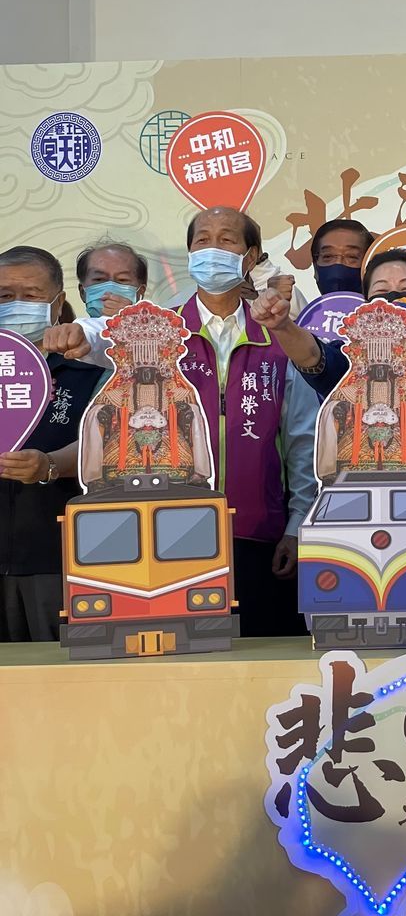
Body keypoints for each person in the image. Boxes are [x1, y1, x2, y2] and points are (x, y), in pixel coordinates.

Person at [43, 207, 320, 636]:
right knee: (186, 658)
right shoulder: (158, 333)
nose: (212, 249)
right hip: (171, 536)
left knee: (260, 657)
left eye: (226, 240)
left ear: (250, 256)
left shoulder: (279, 338)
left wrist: (297, 526)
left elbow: (303, 442)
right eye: (202, 240)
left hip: (257, 533)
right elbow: (101, 336)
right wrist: (79, 333)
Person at [253, 248, 406, 594]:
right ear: (366, 304)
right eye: (382, 292)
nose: (394, 299)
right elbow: (311, 355)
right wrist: (282, 326)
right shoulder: (346, 364)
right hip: (356, 533)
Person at [0, 246, 106, 640]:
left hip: (60, 556)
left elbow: (108, 444)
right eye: (5, 296)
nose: (16, 305)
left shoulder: (90, 368)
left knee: (61, 668)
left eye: (30, 295)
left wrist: (49, 465)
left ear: (58, 303)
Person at [75, 241, 148, 318]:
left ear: (141, 292)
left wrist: (127, 320)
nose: (110, 290)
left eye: (122, 279)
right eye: (99, 279)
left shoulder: (153, 324)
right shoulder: (74, 325)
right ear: (82, 292)